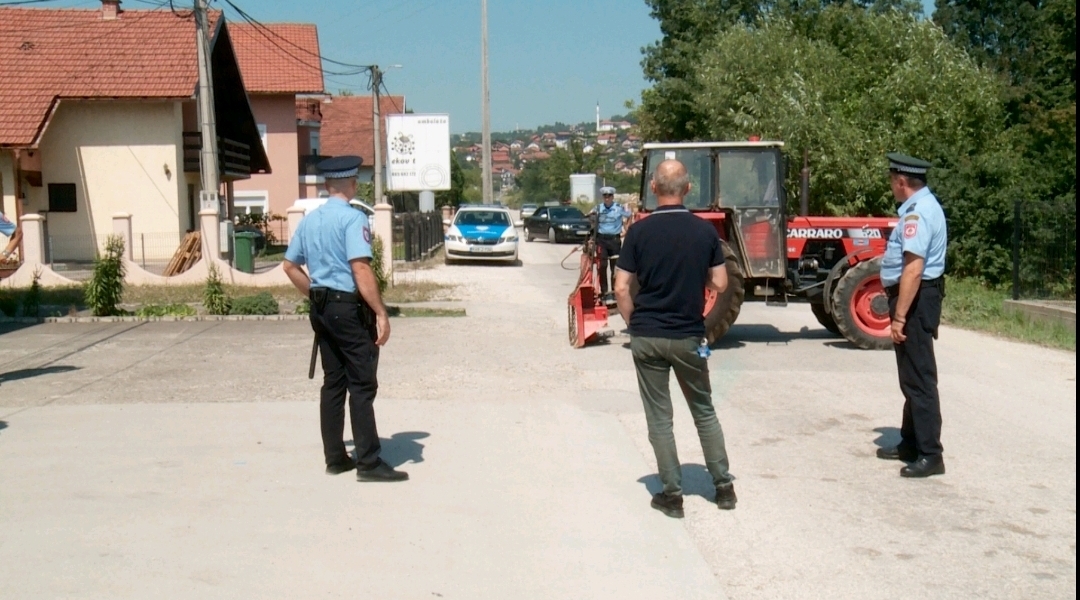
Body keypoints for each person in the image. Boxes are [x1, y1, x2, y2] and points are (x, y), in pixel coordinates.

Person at [613, 160, 737, 518]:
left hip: (648, 335)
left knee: (659, 417)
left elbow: (620, 287)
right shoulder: (705, 233)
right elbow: (721, 283)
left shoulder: (638, 232)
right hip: (688, 335)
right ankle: (723, 488)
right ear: (688, 189)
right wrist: (696, 278)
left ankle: (672, 494)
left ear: (653, 188)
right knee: (703, 410)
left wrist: (633, 322)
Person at [282, 155, 407, 483]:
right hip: (348, 308)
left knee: (334, 382)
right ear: (351, 184)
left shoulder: (310, 220)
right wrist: (381, 312)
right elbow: (360, 268)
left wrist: (314, 294)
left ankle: (336, 457)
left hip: (322, 308)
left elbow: (289, 266)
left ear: (327, 185)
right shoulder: (353, 219)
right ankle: (368, 462)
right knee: (362, 383)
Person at [876, 152, 948, 478]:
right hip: (915, 299)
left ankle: (931, 454)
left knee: (919, 378)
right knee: (911, 376)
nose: (892, 186)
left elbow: (914, 269)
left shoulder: (917, 213)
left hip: (916, 301)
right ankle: (910, 442)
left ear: (902, 181)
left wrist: (900, 317)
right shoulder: (921, 207)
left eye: (893, 181)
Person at [590, 186, 629, 303]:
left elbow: (629, 215)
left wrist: (626, 229)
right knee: (602, 266)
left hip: (614, 240)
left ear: (612, 197)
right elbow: (590, 218)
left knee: (615, 268)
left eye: (609, 196)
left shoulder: (619, 208)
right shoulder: (598, 208)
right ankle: (604, 292)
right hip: (602, 240)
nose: (607, 198)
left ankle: (614, 292)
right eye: (605, 196)